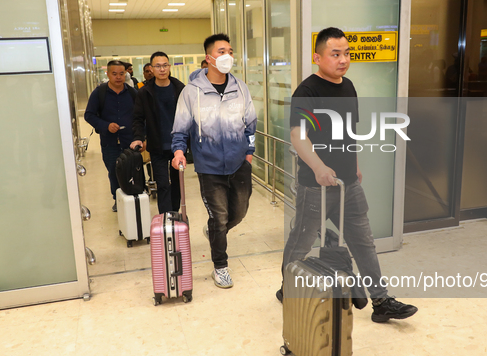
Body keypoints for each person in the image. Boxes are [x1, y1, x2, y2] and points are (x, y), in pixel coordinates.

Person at [277, 27, 418, 323]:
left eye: (347, 54)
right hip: (315, 186)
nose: (343, 60)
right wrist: (317, 167)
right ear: (317, 57)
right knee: (301, 242)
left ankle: (380, 301)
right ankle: (289, 287)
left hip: (348, 184)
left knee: (363, 241)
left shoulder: (348, 86)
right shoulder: (307, 91)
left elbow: (349, 130)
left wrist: (353, 163)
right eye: (335, 54)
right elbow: (298, 135)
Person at [171, 34, 256, 289]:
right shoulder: (191, 93)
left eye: (230, 50)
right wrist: (178, 152)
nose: (227, 56)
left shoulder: (241, 88)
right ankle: (220, 267)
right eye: (221, 51)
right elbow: (180, 129)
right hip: (208, 166)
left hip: (239, 162)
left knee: (238, 213)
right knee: (219, 217)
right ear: (209, 58)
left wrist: (249, 151)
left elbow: (250, 122)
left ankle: (215, 232)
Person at [130, 51, 185, 214]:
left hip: (178, 146)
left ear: (169, 67)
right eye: (158, 66)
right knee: (162, 184)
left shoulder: (180, 89)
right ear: (151, 69)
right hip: (157, 145)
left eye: (165, 65)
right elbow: (138, 118)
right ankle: (166, 217)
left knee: (177, 184)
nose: (162, 69)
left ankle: (174, 213)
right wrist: (138, 138)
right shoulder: (145, 92)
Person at [84, 60, 136, 212]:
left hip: (130, 141)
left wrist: (142, 136)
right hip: (110, 142)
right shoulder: (99, 93)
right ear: (107, 74)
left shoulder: (132, 93)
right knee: (114, 171)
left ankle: (132, 198)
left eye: (122, 74)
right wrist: (105, 125)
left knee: (132, 170)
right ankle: (118, 199)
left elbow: (141, 116)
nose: (118, 77)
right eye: (114, 74)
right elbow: (89, 115)